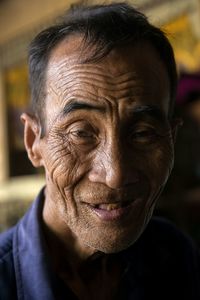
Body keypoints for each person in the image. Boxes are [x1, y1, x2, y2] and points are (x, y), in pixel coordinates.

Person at [0, 2, 199, 299]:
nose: (115, 175)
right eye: (81, 133)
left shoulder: (175, 254)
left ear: (171, 138)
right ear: (33, 141)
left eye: (143, 133)